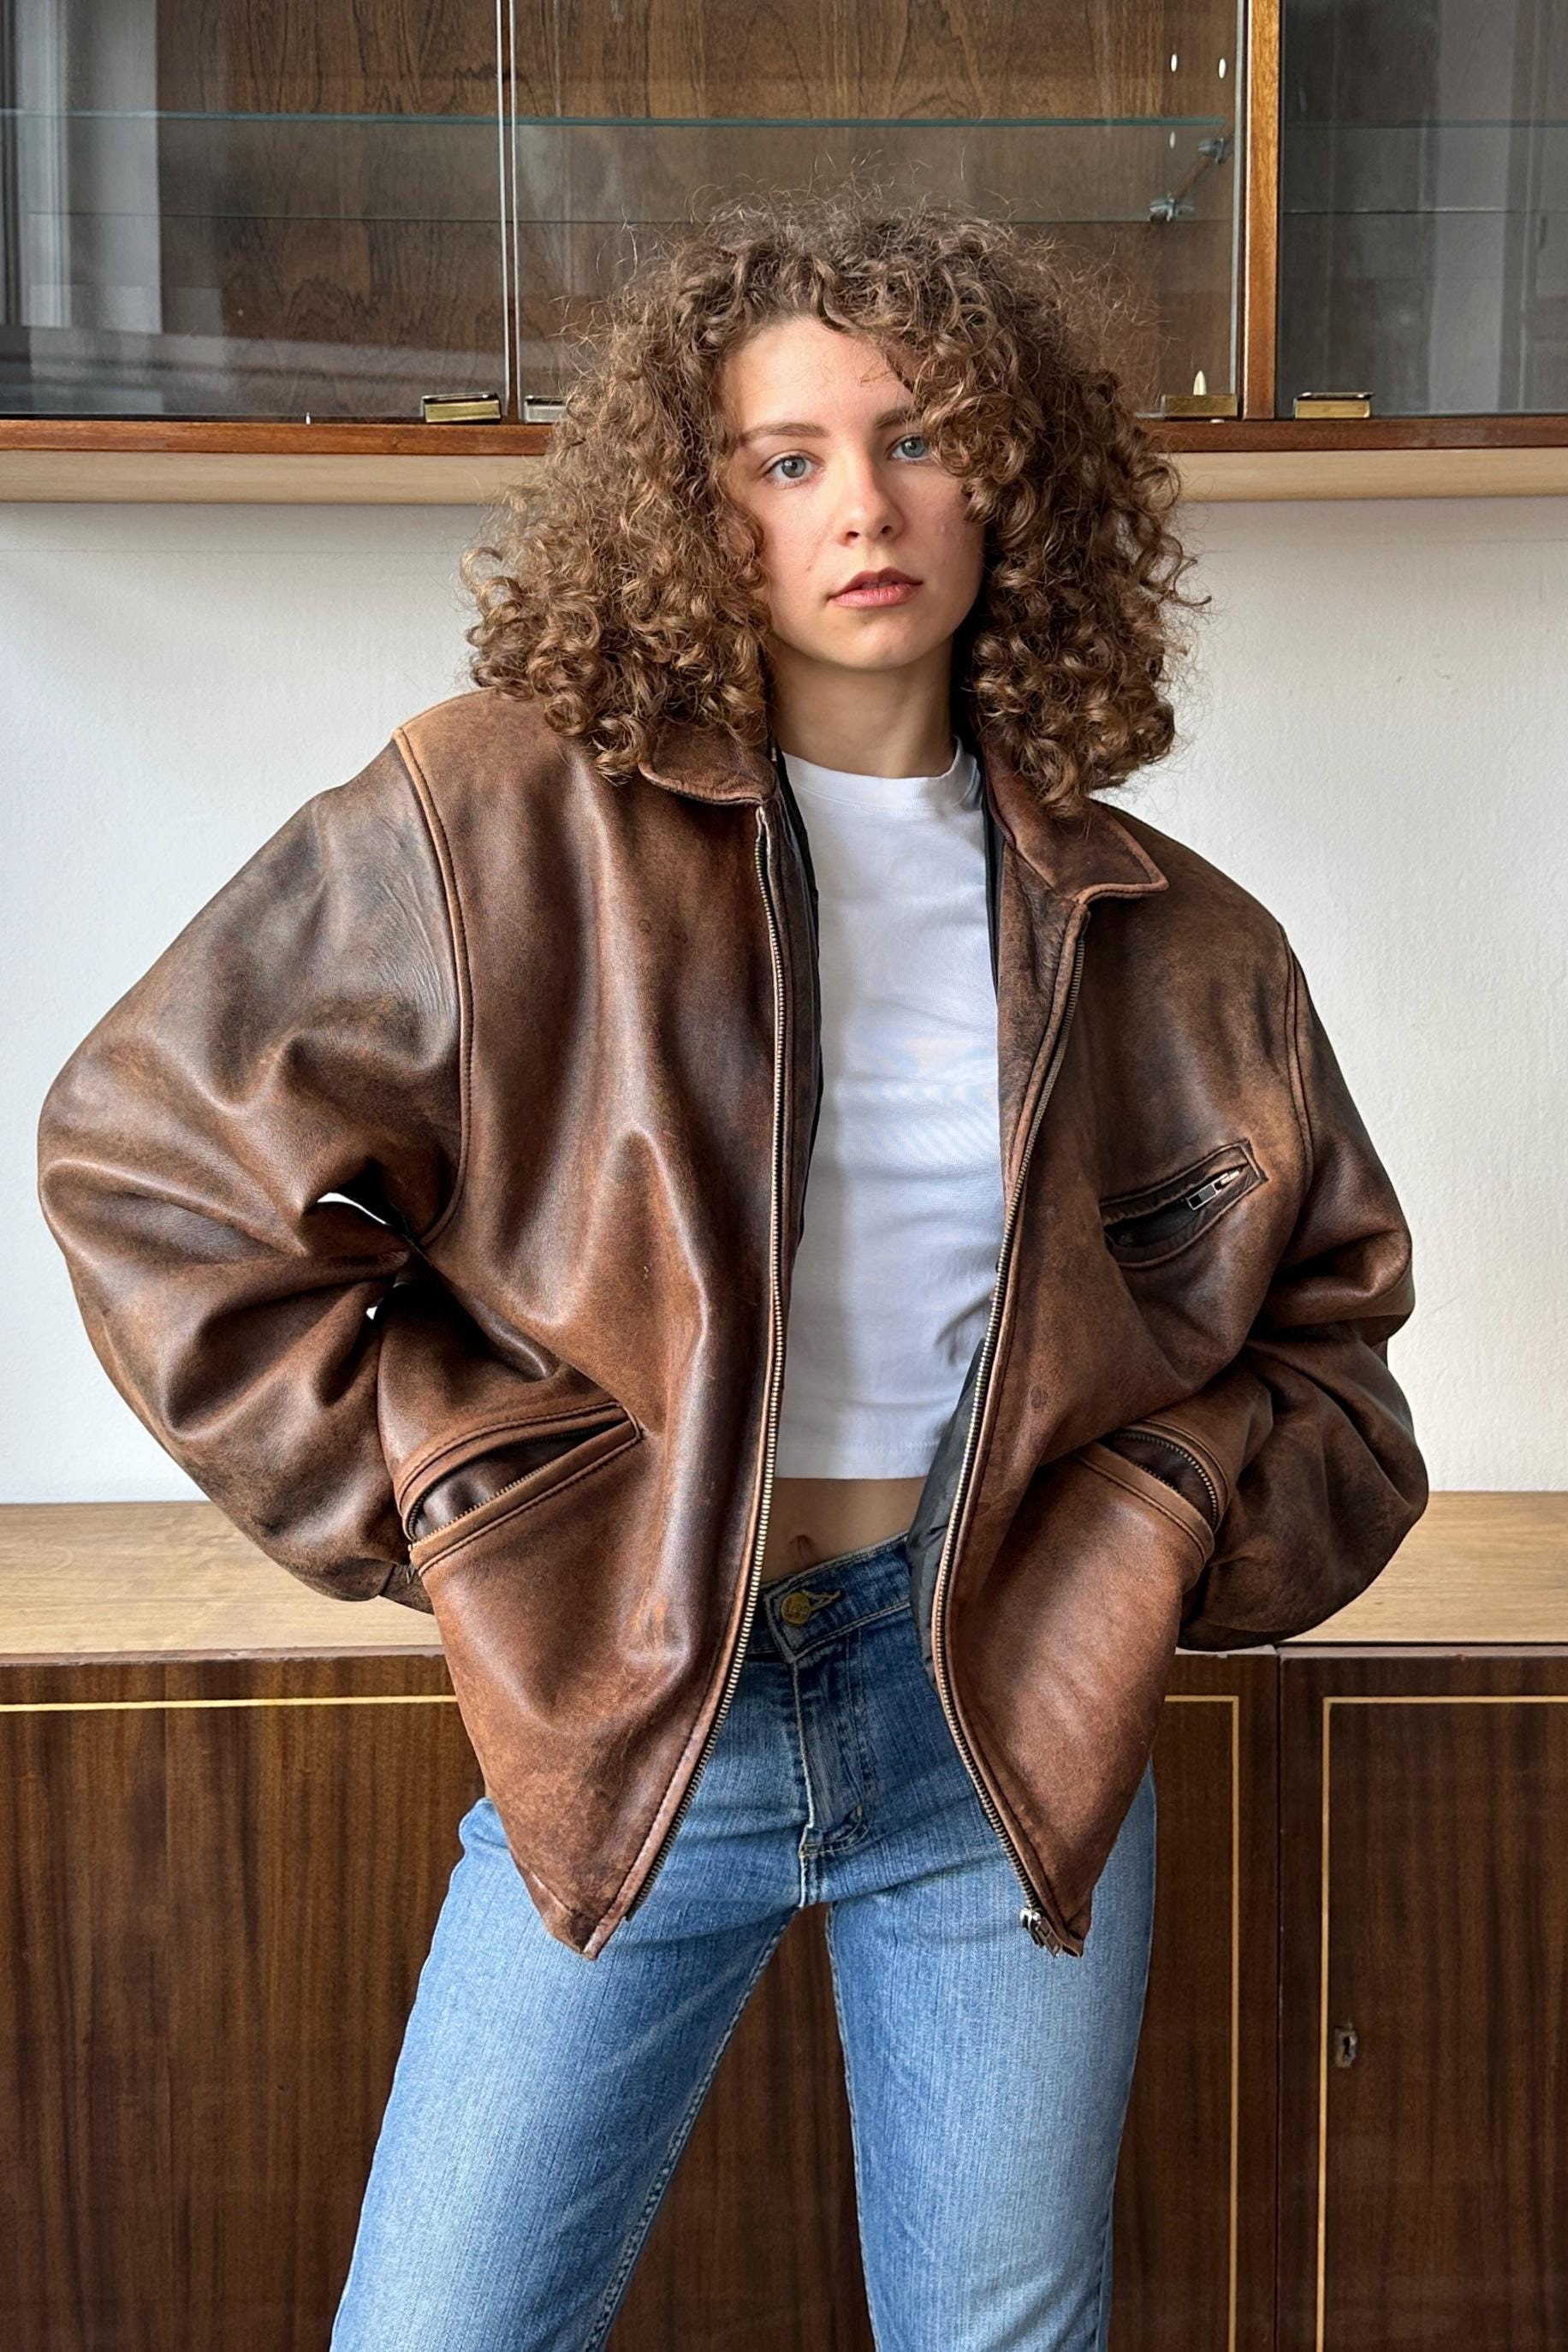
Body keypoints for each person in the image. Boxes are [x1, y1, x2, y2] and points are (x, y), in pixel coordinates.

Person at [36, 185, 1428, 2349]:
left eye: (916, 437)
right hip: (634, 1700)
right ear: (700, 514)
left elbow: (1336, 1366)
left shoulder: (1181, 939)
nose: (859, 505)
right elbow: (151, 1164)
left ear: (1011, 482)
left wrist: (1153, 1527)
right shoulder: (497, 818)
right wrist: (457, 1495)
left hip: (1001, 1728)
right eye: (784, 460)